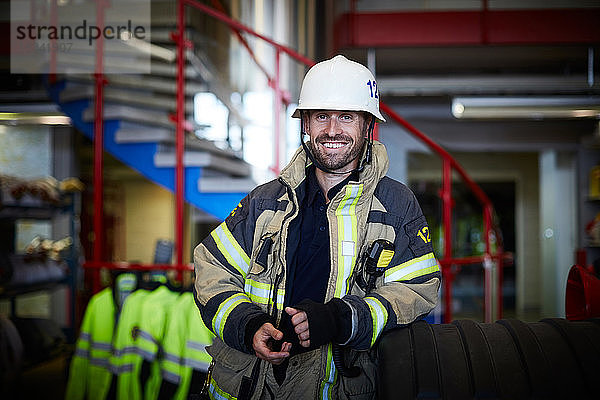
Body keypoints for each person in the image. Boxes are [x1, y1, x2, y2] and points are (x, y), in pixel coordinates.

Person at [193, 54, 441, 400]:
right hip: (245, 387)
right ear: (305, 124)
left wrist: (344, 320)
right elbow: (211, 269)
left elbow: (418, 288)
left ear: (367, 124)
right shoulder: (265, 201)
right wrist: (247, 325)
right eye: (321, 116)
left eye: (347, 117)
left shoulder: (396, 205)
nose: (333, 130)